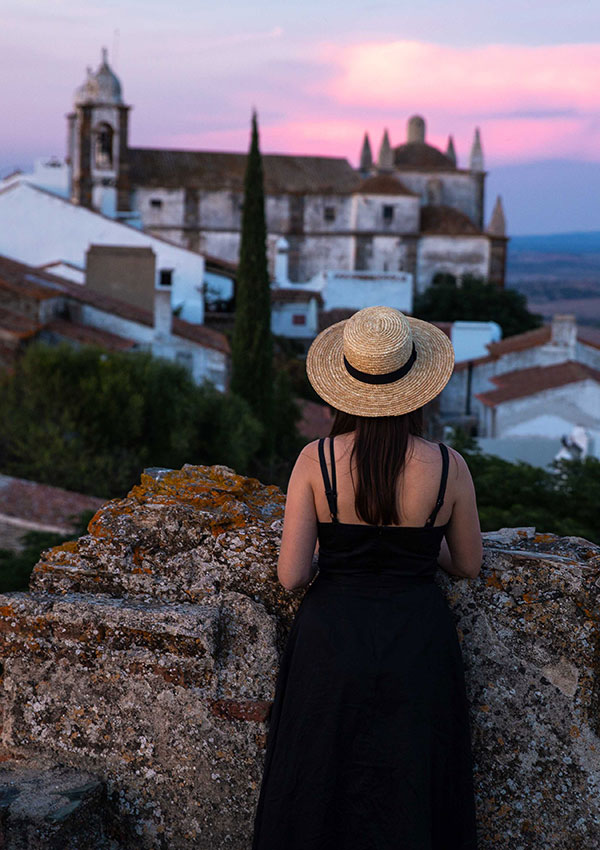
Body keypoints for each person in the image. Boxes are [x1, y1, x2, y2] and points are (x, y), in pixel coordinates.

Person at [252, 306, 482, 850]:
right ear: (417, 385)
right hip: (417, 641)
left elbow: (290, 577)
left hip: (330, 641)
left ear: (345, 386)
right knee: (412, 788)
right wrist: (423, 550)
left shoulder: (317, 459)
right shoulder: (449, 465)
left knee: (318, 788)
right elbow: (469, 564)